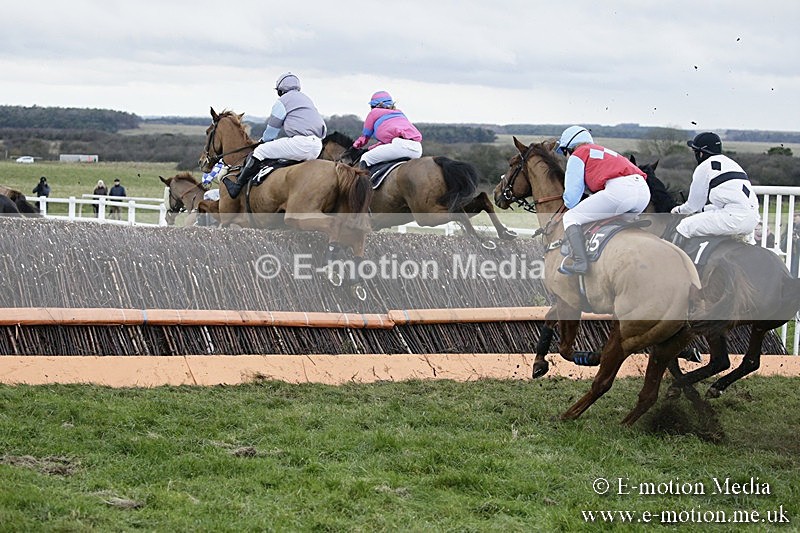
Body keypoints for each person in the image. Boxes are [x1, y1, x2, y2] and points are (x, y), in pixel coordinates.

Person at [554, 125, 651, 275]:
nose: (565, 157)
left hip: (620, 192)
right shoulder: (604, 151)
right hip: (643, 192)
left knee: (571, 217)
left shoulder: (578, 154)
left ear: (569, 148)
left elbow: (572, 200)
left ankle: (581, 262)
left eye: (564, 153)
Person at [223, 72, 327, 199]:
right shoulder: (306, 99)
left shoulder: (283, 101)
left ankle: (237, 186)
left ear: (280, 90)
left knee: (261, 151)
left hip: (301, 143)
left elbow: (272, 129)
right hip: (317, 145)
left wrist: (264, 141)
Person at [670, 132, 759, 246]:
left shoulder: (704, 167)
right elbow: (721, 205)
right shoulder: (733, 164)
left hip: (733, 218)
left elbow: (693, 205)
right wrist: (703, 210)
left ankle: (672, 262)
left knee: (684, 226)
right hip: (752, 220)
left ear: (701, 153)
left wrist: (678, 211)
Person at [352, 91, 423, 169]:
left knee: (366, 158)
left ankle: (363, 181)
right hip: (417, 149)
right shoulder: (399, 113)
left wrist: (355, 146)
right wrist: (370, 148)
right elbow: (387, 144)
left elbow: (365, 136)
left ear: (374, 105)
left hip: (399, 146)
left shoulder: (374, 112)